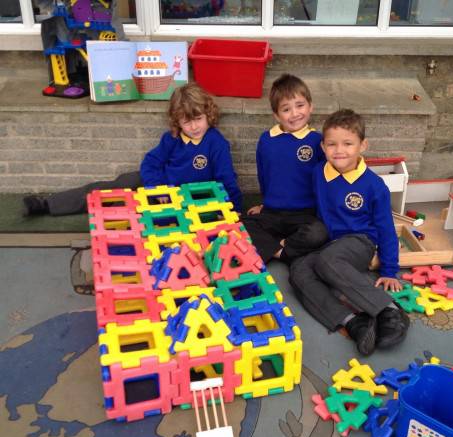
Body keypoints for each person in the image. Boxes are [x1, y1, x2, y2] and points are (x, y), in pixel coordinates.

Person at [289, 108, 409, 356]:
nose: (339, 150)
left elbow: (386, 229)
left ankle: (389, 309)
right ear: (323, 146)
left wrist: (389, 270)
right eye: (332, 144)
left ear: (362, 145)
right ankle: (353, 322)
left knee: (327, 260)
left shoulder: (374, 186)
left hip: (360, 243)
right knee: (299, 269)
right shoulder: (319, 173)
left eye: (347, 143)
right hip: (330, 244)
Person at [23, 82, 242, 216]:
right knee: (116, 186)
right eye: (187, 122)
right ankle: (47, 204)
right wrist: (158, 189)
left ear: (208, 115)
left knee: (136, 219)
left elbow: (226, 180)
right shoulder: (172, 139)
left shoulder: (216, 143)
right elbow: (150, 163)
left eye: (198, 119)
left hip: (189, 200)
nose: (194, 127)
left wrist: (235, 210)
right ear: (177, 122)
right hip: (160, 188)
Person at [242, 73, 329, 265]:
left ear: (310, 106)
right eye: (286, 109)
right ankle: (284, 251)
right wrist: (264, 204)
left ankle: (273, 249)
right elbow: (264, 174)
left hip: (304, 214)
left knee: (318, 232)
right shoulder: (266, 140)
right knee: (239, 225)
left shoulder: (317, 141)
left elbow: (326, 179)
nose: (295, 113)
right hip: (272, 212)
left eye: (300, 105)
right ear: (276, 115)